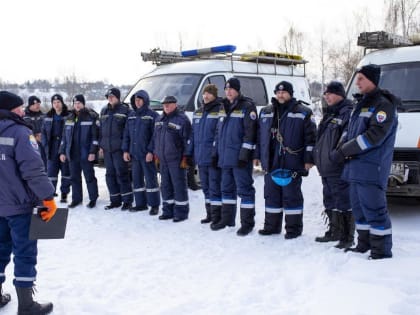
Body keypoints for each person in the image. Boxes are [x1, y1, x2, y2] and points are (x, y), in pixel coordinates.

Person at [0, 91, 56, 314]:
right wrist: (48, 198)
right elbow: (33, 170)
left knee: (0, 249)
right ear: (11, 109)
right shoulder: (20, 133)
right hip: (19, 206)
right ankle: (26, 305)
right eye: (19, 107)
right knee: (25, 252)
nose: (23, 111)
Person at [333, 64, 397, 259]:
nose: (357, 83)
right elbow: (350, 131)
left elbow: (374, 135)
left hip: (371, 169)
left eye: (361, 78)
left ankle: (381, 251)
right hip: (355, 168)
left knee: (374, 210)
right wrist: (340, 147)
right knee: (359, 210)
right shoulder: (360, 104)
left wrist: (346, 150)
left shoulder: (383, 105)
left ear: (372, 80)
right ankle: (364, 244)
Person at [256, 81, 316, 239]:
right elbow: (259, 137)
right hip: (271, 161)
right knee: (271, 195)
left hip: (292, 161)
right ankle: (271, 227)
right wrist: (257, 156)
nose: (281, 95)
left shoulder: (304, 112)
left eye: (284, 92)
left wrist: (309, 159)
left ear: (290, 93)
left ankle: (293, 229)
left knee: (291, 196)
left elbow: (311, 139)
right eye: (278, 92)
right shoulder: (265, 111)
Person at [211, 78, 258, 236]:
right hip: (225, 158)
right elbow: (218, 133)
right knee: (226, 190)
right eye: (226, 89)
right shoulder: (223, 107)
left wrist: (244, 155)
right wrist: (215, 153)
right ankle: (227, 219)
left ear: (237, 90)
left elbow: (250, 133)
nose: (228, 92)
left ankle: (247, 223)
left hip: (239, 159)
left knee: (245, 191)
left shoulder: (247, 106)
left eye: (231, 89)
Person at [313, 82, 354, 248]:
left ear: (340, 94)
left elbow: (346, 139)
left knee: (343, 200)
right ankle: (334, 231)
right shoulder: (330, 114)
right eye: (325, 94)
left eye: (329, 93)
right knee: (329, 200)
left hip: (338, 167)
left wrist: (335, 156)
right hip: (326, 168)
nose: (326, 96)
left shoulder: (347, 113)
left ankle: (347, 237)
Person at [154, 96, 192, 222]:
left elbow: (188, 140)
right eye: (164, 104)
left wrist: (186, 157)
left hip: (177, 160)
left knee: (179, 186)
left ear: (175, 104)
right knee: (165, 186)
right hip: (163, 160)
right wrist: (156, 154)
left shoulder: (182, 119)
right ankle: (167, 211)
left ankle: (181, 213)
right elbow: (156, 139)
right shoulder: (159, 119)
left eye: (169, 104)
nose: (166, 106)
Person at [122, 90, 160, 214]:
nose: (137, 102)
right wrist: (125, 150)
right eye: (135, 100)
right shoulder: (131, 115)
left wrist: (150, 151)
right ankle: (140, 204)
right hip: (134, 154)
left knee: (151, 180)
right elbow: (126, 134)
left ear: (145, 100)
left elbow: (155, 136)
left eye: (140, 100)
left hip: (146, 154)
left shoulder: (152, 115)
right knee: (137, 179)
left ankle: (154, 205)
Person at [59, 94, 99, 208]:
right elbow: (64, 138)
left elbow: (95, 137)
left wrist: (92, 152)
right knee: (74, 178)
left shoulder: (90, 117)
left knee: (89, 177)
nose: (77, 105)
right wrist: (62, 152)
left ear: (83, 104)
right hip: (72, 154)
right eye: (75, 103)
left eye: (79, 103)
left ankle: (93, 199)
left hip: (86, 154)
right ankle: (76, 199)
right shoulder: (69, 118)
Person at [191, 84, 223, 224]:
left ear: (215, 95)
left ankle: (217, 216)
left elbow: (219, 135)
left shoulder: (219, 111)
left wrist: (215, 154)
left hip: (213, 157)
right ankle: (209, 214)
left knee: (215, 187)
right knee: (205, 187)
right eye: (204, 93)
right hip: (201, 157)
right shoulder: (198, 112)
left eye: (209, 93)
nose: (206, 96)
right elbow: (193, 135)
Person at [99, 88, 133, 210]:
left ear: (118, 97)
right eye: (108, 96)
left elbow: (128, 132)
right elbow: (100, 130)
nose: (110, 98)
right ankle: (115, 200)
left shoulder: (125, 110)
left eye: (112, 96)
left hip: (119, 150)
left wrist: (126, 150)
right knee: (110, 175)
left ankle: (127, 201)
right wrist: (101, 145)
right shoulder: (104, 110)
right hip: (107, 150)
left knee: (122, 174)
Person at [41, 94, 71, 203]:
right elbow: (43, 133)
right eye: (54, 103)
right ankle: (51, 193)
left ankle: (64, 194)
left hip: (64, 146)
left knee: (66, 172)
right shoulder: (48, 116)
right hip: (52, 147)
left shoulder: (69, 116)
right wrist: (45, 146)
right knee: (51, 173)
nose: (56, 104)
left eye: (58, 102)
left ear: (62, 103)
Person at [23, 95, 47, 167]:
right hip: (29, 145)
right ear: (30, 105)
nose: (38, 106)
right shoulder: (23, 116)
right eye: (36, 104)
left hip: (42, 144)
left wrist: (43, 135)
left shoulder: (43, 116)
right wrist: (34, 136)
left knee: (44, 166)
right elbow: (23, 130)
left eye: (39, 104)